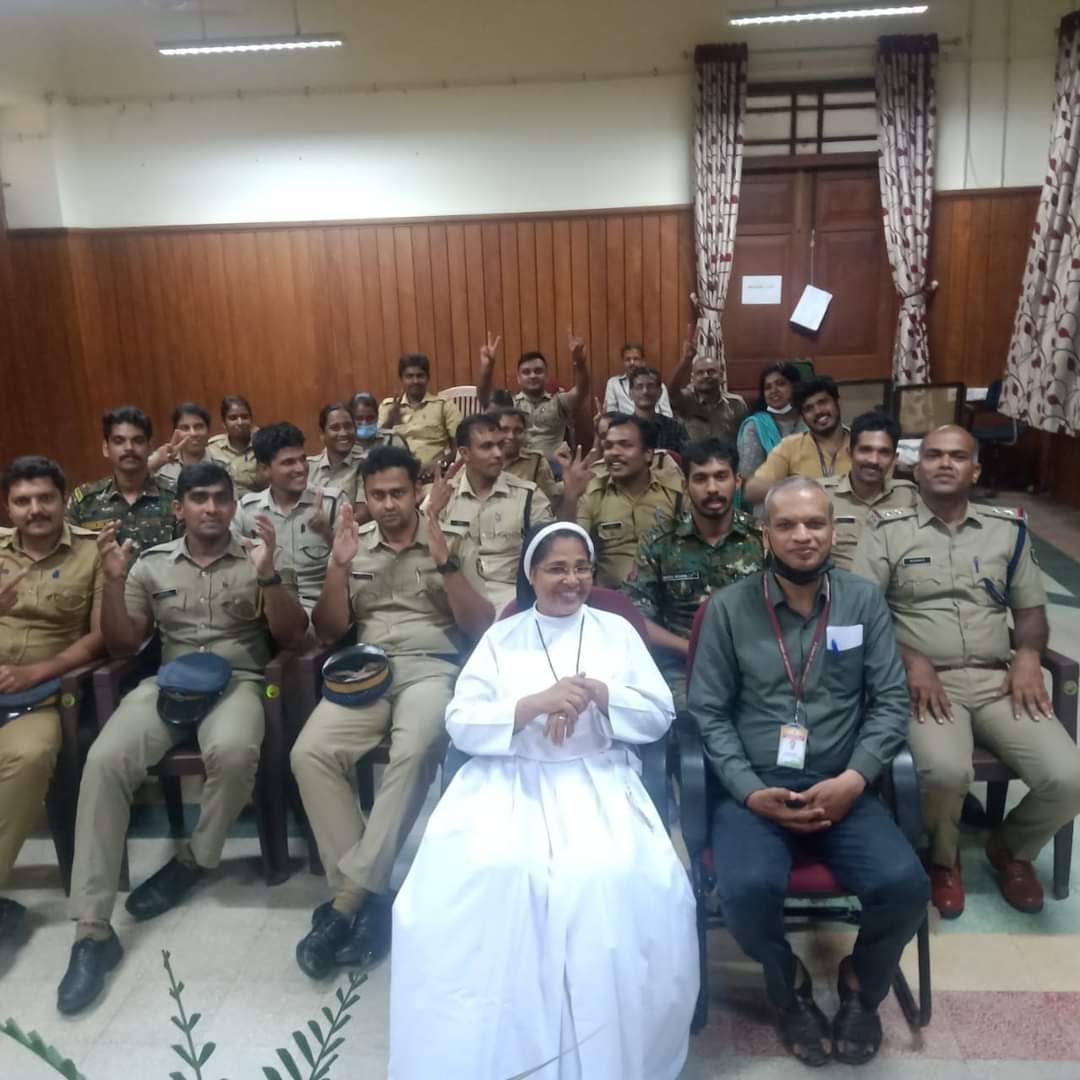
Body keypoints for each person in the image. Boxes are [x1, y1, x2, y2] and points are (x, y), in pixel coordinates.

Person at [389, 522, 698, 1080]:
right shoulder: (502, 636)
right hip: (507, 781)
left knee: (608, 878)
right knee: (489, 875)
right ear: (531, 574)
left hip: (596, 781)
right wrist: (534, 704)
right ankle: (501, 1050)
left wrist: (601, 696)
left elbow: (658, 715)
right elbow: (459, 721)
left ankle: (605, 1049)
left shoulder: (617, 633)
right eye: (557, 568)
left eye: (582, 567)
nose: (572, 580)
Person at [689, 476, 927, 1067]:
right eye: (788, 525)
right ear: (765, 534)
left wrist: (854, 779)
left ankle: (860, 986)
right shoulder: (727, 609)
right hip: (757, 792)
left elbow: (892, 702)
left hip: (842, 788)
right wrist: (747, 791)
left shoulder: (862, 601)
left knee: (905, 886)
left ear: (833, 530)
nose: (803, 536)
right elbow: (708, 712)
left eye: (815, 523)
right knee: (744, 892)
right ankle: (786, 984)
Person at [58, 462, 308, 1014]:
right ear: (180, 509)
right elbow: (124, 647)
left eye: (221, 498)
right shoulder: (149, 564)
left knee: (237, 750)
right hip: (167, 684)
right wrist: (115, 583)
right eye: (199, 499)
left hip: (239, 680)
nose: (212, 508)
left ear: (232, 504)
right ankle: (93, 929)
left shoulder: (256, 557)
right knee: (103, 760)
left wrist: (269, 575)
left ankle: (196, 858)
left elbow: (295, 636)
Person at [852, 425, 1080, 919]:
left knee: (1069, 777)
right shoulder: (885, 530)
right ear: (916, 466)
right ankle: (942, 859)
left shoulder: (1008, 529)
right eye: (933, 455)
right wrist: (911, 661)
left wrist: (1026, 655)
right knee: (943, 772)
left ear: (975, 470)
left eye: (958, 456)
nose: (945, 464)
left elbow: (1031, 610)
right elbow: (861, 614)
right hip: (926, 685)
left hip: (1000, 680)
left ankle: (1011, 849)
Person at [291, 446, 494, 979]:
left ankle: (346, 903)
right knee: (309, 752)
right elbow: (331, 630)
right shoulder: (353, 547)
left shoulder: (450, 537)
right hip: (364, 670)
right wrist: (337, 566)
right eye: (376, 495)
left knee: (417, 747)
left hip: (431, 666)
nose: (387, 505)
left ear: (417, 490)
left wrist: (444, 557)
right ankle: (367, 897)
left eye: (397, 493)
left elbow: (480, 625)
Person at [0, 456, 104, 944]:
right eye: (22, 501)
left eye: (45, 498)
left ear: (65, 500)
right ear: (8, 507)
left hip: (42, 694)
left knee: (29, 754)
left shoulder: (92, 551)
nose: (34, 509)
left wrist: (36, 672)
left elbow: (100, 637)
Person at [624, 438, 764, 709]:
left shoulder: (763, 539)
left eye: (721, 477)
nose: (712, 488)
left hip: (750, 660)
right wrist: (689, 649)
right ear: (686, 486)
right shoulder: (660, 542)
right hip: (680, 663)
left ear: (737, 481)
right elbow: (635, 618)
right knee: (687, 708)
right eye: (700, 479)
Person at [430, 415, 554, 612]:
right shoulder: (443, 496)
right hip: (456, 598)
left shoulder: (528, 495)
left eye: (499, 445)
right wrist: (431, 512)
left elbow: (551, 552)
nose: (498, 454)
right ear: (465, 453)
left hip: (513, 601)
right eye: (487, 447)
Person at [563, 415, 684, 589]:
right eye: (609, 446)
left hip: (666, 594)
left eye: (625, 445)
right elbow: (567, 546)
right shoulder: (594, 492)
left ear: (648, 453)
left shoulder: (674, 493)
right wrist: (571, 496)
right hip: (611, 600)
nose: (614, 453)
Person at [235, 422, 342, 612]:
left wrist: (327, 533)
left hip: (319, 607)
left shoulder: (331, 502)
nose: (301, 468)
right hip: (266, 606)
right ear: (264, 469)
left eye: (302, 459)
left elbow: (353, 566)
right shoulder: (247, 509)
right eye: (288, 462)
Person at [66, 406, 179, 553]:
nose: (129, 448)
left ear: (149, 447)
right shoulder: (84, 501)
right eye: (119, 441)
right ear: (106, 448)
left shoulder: (175, 494)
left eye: (137, 440)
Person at [821, 411, 916, 571]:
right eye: (865, 450)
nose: (873, 460)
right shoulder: (821, 495)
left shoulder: (908, 495)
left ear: (894, 458)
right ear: (850, 453)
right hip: (839, 589)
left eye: (884, 452)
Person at [477, 330, 591, 461]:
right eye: (526, 372)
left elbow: (581, 391)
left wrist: (580, 363)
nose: (532, 375)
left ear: (546, 376)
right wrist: (487, 369)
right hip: (519, 468)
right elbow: (484, 398)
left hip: (554, 470)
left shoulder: (558, 402)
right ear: (518, 378)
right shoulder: (510, 405)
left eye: (538, 371)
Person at [743, 376, 851, 505]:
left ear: (838, 403)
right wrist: (800, 489)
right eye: (808, 408)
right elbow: (751, 491)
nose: (818, 411)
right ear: (803, 416)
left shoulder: (863, 443)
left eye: (823, 402)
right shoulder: (790, 446)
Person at [378, 354, 461, 482]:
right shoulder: (388, 406)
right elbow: (377, 446)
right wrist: (390, 421)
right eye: (409, 376)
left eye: (420, 376)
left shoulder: (443, 405)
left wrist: (440, 463)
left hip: (433, 478)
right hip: (396, 478)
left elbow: (461, 446)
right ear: (401, 379)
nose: (415, 381)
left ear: (427, 378)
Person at [669, 331, 749, 443]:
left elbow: (745, 438)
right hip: (693, 459)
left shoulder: (736, 404)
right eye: (700, 373)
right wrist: (686, 360)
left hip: (726, 458)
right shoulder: (687, 401)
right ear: (692, 379)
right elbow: (672, 392)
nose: (706, 376)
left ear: (721, 376)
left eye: (711, 371)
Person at [735, 362, 806, 479]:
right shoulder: (755, 425)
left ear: (795, 386)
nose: (773, 390)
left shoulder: (809, 419)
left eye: (781, 384)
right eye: (767, 387)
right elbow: (749, 475)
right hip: (768, 493)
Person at [494, 407, 561, 502]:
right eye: (504, 430)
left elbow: (549, 502)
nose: (511, 436)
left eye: (518, 430)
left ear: (525, 433)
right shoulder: (482, 461)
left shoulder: (536, 462)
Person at [307, 402, 365, 505]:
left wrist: (333, 522)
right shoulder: (308, 466)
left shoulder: (365, 466)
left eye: (348, 426)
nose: (343, 433)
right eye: (335, 428)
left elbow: (364, 511)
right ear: (322, 434)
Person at [207, 394, 264, 498]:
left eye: (244, 417)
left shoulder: (264, 445)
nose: (240, 422)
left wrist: (262, 442)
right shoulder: (212, 448)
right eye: (233, 418)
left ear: (251, 420)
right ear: (224, 423)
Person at [628, 366, 690, 456]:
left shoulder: (675, 427)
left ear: (660, 392)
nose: (645, 391)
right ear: (630, 393)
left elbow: (687, 458)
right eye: (639, 387)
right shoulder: (623, 427)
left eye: (650, 386)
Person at [150, 402, 215, 486]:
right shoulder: (161, 460)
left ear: (208, 430)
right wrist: (156, 463)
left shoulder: (221, 464)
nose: (193, 433)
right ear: (176, 432)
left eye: (198, 427)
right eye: (185, 428)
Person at [603, 341, 674, 417]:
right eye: (628, 359)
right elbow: (610, 413)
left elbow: (667, 415)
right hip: (624, 426)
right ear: (623, 362)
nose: (632, 363)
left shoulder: (657, 385)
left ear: (643, 361)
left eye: (636, 359)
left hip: (654, 425)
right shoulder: (614, 383)